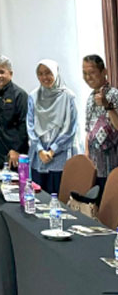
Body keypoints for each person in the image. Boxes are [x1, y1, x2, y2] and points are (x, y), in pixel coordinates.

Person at [27, 59, 79, 195]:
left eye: (48, 72)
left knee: (58, 199)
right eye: (40, 74)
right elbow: (30, 127)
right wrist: (40, 150)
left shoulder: (68, 97)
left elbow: (70, 129)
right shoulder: (33, 96)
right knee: (37, 198)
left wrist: (52, 151)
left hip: (59, 158)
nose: (44, 77)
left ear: (55, 73)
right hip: (38, 158)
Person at [82, 55, 118, 193]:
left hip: (112, 167)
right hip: (95, 168)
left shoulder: (114, 95)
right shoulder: (90, 98)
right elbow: (88, 129)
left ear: (104, 72)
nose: (88, 77)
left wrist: (107, 105)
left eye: (92, 72)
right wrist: (86, 155)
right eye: (84, 73)